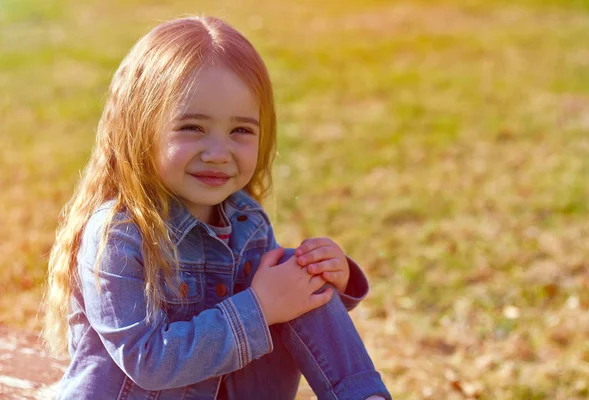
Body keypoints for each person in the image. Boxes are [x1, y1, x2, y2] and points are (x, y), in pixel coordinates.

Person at [43, 16, 391, 400]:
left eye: (240, 131)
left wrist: (324, 279)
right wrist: (259, 308)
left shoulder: (247, 221)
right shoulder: (119, 234)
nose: (217, 153)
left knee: (294, 268)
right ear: (141, 128)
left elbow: (284, 318)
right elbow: (146, 360)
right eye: (192, 128)